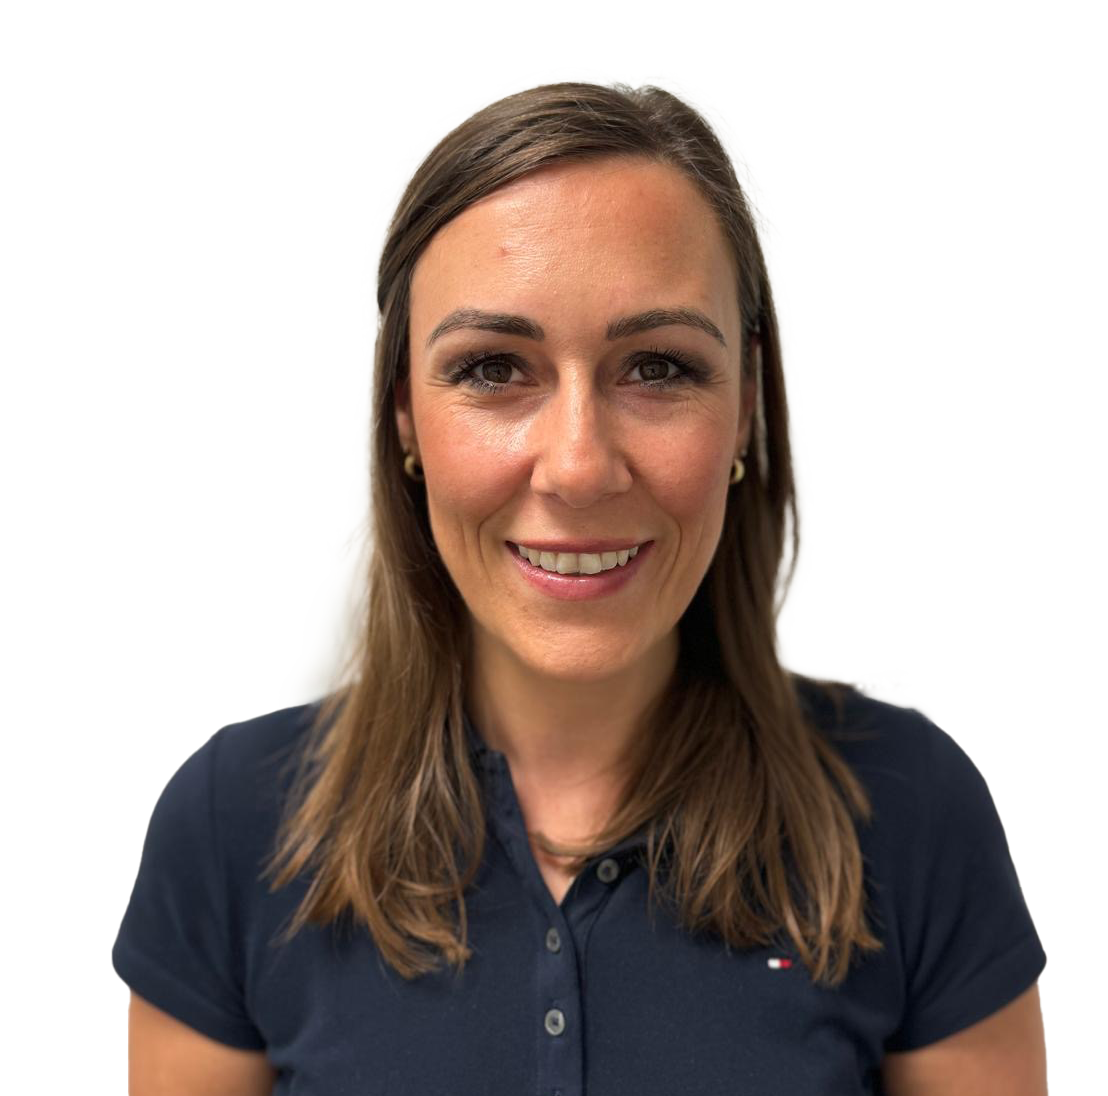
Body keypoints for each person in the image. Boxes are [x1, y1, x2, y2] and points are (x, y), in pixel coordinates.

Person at [113, 79, 1047, 1095]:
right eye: (492, 369)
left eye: (658, 367)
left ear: (743, 408)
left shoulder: (910, 810)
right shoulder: (229, 825)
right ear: (404, 416)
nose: (578, 466)